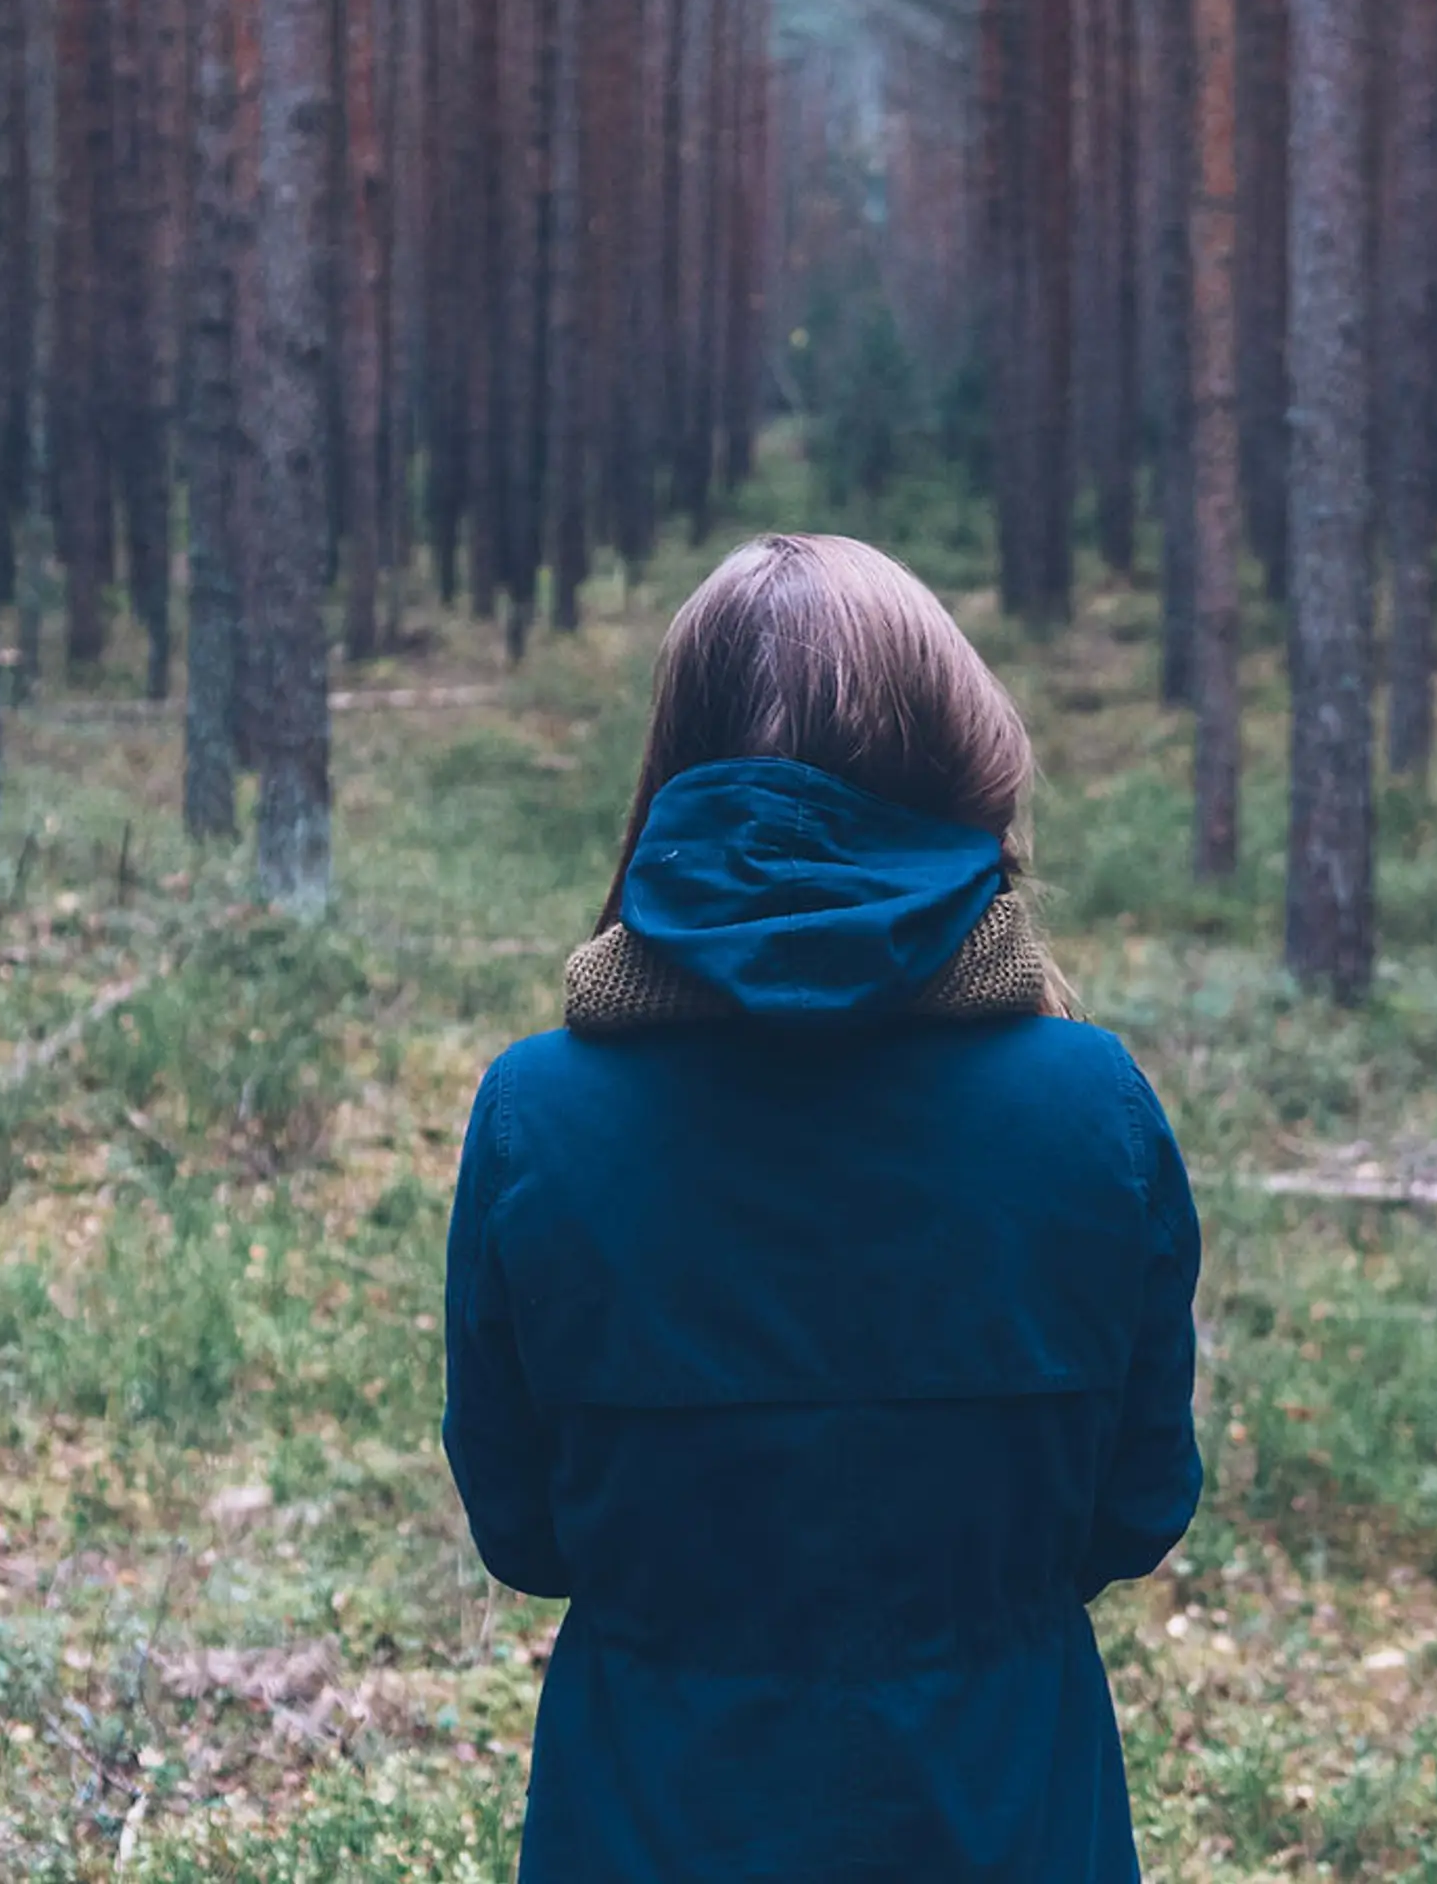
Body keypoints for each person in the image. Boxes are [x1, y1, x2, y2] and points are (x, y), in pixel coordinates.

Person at [443, 533, 1201, 1883]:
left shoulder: (536, 1115)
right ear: (954, 758)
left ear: (676, 765)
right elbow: (1136, 1514)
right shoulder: (1095, 1107)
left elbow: (525, 1537)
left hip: (649, 1822)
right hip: (1008, 1815)